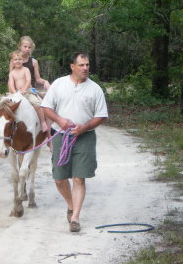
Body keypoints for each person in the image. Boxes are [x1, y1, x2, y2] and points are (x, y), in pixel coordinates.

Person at [41, 53, 108, 233]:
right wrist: (60, 120)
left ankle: (75, 218)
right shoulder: (59, 84)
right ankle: (70, 205)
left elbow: (101, 115)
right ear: (72, 66)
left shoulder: (95, 89)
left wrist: (84, 127)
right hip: (61, 135)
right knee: (59, 178)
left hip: (85, 137)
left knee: (79, 177)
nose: (85, 68)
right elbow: (46, 107)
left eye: (87, 65)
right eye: (81, 65)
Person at [0, 35, 51, 149]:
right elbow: (11, 78)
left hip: (29, 90)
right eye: (25, 46)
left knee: (44, 106)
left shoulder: (33, 62)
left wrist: (45, 81)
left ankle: (48, 135)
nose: (27, 49)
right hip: (14, 92)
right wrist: (13, 92)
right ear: (20, 46)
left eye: (29, 47)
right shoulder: (14, 60)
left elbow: (37, 78)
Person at [8, 50, 48, 132]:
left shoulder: (25, 69)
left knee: (37, 104)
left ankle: (43, 122)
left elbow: (28, 80)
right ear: (12, 61)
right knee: (7, 107)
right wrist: (14, 93)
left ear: (23, 60)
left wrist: (24, 90)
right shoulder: (12, 73)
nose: (18, 61)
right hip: (17, 93)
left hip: (28, 92)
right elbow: (11, 84)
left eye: (19, 59)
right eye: (15, 59)